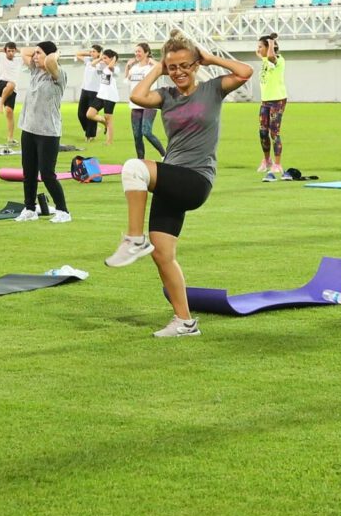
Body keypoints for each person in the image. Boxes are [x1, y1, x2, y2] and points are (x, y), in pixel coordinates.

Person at [105, 29, 253, 338]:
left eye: (185, 65)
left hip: (195, 179)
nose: (179, 72)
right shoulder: (166, 96)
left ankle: (134, 238)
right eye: (173, 67)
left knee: (134, 168)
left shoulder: (212, 89)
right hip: (170, 179)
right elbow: (137, 96)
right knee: (162, 254)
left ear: (195, 64)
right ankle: (185, 322)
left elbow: (245, 72)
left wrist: (209, 57)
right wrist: (160, 66)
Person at [14, 41, 71, 224]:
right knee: (28, 173)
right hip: (29, 129)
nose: (35, 56)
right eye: (35, 53)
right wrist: (40, 51)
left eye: (39, 53)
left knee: (47, 174)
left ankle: (63, 211)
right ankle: (29, 208)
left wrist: (55, 53)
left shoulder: (58, 74)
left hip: (48, 132)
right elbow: (24, 51)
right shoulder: (35, 71)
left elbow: (51, 62)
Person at [125, 42, 165, 160]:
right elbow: (126, 81)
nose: (137, 54)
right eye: (136, 51)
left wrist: (153, 62)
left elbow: (162, 69)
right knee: (137, 135)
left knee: (146, 132)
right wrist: (127, 67)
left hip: (149, 102)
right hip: (135, 104)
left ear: (146, 53)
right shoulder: (134, 68)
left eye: (139, 51)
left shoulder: (152, 67)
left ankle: (164, 155)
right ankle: (140, 161)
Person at [256, 32, 288, 178]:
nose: (258, 49)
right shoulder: (264, 59)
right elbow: (259, 53)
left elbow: (271, 57)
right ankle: (267, 160)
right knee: (263, 132)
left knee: (274, 132)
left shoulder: (278, 60)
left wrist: (270, 42)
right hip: (265, 100)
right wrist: (270, 40)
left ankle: (277, 164)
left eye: (261, 46)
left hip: (277, 100)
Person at [0, 41, 21, 146]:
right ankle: (0, 104)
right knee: (11, 84)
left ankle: (10, 139)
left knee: (10, 112)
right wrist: (2, 49)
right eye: (9, 51)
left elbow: (30, 54)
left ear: (15, 51)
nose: (10, 53)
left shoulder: (19, 60)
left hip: (12, 90)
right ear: (6, 51)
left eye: (12, 51)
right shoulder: (1, 57)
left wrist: (19, 51)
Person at [86, 49, 119, 145]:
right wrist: (101, 58)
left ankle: (109, 142)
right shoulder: (101, 66)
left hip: (110, 96)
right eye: (103, 58)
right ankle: (105, 123)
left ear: (112, 59)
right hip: (101, 95)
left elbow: (111, 67)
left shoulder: (116, 69)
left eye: (105, 58)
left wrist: (114, 59)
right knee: (90, 114)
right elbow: (92, 64)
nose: (103, 60)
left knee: (109, 118)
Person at [75, 45, 102, 142]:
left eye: (94, 51)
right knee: (81, 114)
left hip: (95, 91)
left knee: (90, 114)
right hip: (85, 89)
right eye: (91, 51)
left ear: (99, 53)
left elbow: (94, 64)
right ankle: (92, 130)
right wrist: (89, 53)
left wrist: (100, 57)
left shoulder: (102, 63)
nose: (92, 53)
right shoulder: (88, 60)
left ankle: (89, 136)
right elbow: (77, 54)